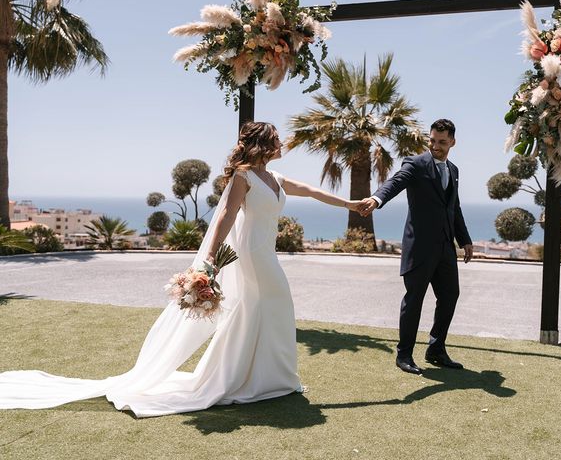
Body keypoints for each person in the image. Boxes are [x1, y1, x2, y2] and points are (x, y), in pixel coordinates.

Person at [0, 121, 361, 417]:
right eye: (276, 138)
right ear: (262, 144)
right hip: (250, 256)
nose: (282, 142)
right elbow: (224, 217)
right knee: (266, 306)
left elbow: (313, 191)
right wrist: (210, 260)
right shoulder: (244, 176)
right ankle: (245, 380)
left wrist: (349, 203)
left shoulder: (276, 178)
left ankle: (272, 379)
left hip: (267, 254)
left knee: (267, 311)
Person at [357, 119, 473, 375]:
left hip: (445, 249)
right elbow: (396, 182)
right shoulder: (416, 164)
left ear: (452, 142)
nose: (436, 146)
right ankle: (404, 355)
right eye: (432, 140)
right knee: (414, 301)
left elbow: (453, 208)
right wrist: (377, 199)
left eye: (442, 142)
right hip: (419, 248)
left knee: (450, 297)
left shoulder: (453, 170)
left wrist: (464, 240)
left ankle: (436, 349)